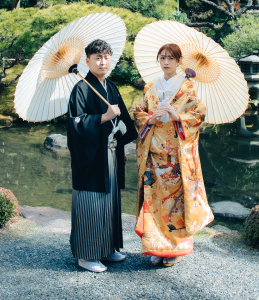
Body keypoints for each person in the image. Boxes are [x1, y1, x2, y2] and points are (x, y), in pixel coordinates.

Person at [133, 43, 213, 267]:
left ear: (179, 62)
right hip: (154, 153)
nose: (166, 62)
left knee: (175, 205)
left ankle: (174, 249)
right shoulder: (151, 86)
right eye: (162, 57)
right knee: (154, 202)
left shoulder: (187, 87)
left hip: (176, 157)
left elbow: (198, 114)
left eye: (171, 58)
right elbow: (137, 112)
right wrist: (151, 118)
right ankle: (156, 247)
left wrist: (177, 116)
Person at [67, 39, 138, 273]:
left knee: (110, 202)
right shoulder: (81, 88)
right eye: (97, 57)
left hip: (110, 152)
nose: (103, 61)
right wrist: (103, 117)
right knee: (92, 203)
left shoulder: (111, 86)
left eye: (106, 57)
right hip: (90, 158)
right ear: (87, 61)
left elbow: (124, 121)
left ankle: (107, 248)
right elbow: (76, 125)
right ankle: (87, 255)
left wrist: (121, 149)